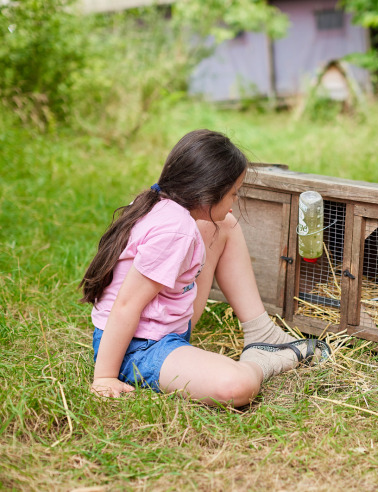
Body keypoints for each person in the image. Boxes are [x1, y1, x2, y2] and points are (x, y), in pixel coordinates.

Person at [79, 129, 330, 407]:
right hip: (140, 346)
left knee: (223, 225)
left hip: (167, 322)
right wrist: (105, 377)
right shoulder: (174, 231)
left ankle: (261, 333)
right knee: (237, 386)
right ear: (207, 193)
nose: (235, 202)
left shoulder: (161, 203)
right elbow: (127, 304)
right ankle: (263, 360)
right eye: (233, 194)